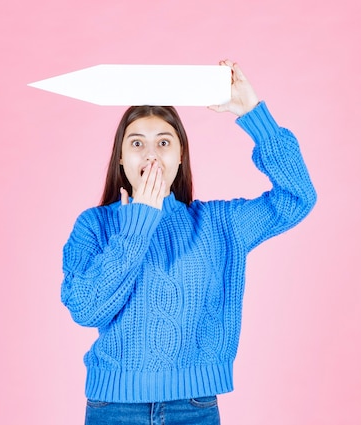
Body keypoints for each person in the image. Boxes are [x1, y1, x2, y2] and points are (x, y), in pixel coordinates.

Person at [61, 60, 317, 425]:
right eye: (137, 143)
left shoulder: (218, 224)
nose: (151, 155)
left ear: (180, 156)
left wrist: (253, 114)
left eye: (163, 142)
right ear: (121, 157)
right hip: (113, 407)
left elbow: (297, 198)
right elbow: (86, 310)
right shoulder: (94, 225)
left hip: (193, 407)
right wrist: (138, 223)